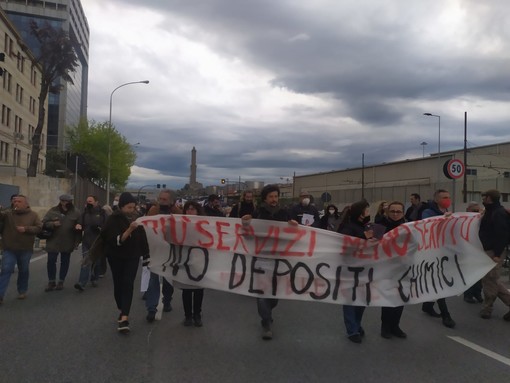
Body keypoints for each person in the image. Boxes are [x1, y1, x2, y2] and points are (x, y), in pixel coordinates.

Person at [242, 184, 298, 340]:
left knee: (274, 294)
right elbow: (248, 234)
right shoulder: (258, 213)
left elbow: (293, 236)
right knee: (262, 293)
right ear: (265, 198)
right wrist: (246, 224)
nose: (274, 199)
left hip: (279, 260)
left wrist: (294, 227)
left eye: (276, 196)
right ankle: (266, 322)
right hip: (261, 258)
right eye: (271, 197)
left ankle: (269, 310)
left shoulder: (284, 213)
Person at [102, 192, 150, 333]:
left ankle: (124, 317)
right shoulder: (113, 220)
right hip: (116, 256)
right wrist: (130, 229)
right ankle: (122, 307)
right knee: (118, 284)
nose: (131, 210)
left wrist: (146, 255)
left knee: (128, 283)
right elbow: (117, 241)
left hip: (132, 256)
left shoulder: (137, 219)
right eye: (129, 207)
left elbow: (142, 239)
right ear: (122, 206)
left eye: (133, 207)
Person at [420, 189, 456, 328]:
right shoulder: (428, 212)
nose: (447, 199)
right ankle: (446, 315)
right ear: (436, 200)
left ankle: (427, 305)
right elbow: (427, 225)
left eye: (448, 196)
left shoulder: (447, 211)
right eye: (444, 197)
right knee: (441, 282)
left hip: (445, 252)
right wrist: (442, 219)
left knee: (437, 281)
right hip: (432, 253)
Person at [339, 199, 372, 343]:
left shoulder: (365, 226)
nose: (369, 212)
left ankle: (357, 325)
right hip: (350, 269)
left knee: (362, 299)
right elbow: (346, 246)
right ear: (361, 212)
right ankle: (352, 330)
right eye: (367, 209)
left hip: (364, 267)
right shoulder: (347, 226)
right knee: (350, 300)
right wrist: (364, 237)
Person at [145, 189, 181, 323]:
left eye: (164, 199)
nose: (161, 201)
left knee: (168, 279)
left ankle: (167, 300)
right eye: (160, 199)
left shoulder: (177, 213)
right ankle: (151, 308)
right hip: (155, 251)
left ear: (172, 201)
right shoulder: (153, 211)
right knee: (153, 279)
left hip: (170, 251)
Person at [0, 195, 42, 304]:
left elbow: (39, 228)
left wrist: (26, 229)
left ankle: (22, 290)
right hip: (9, 247)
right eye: (14, 201)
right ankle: (0, 294)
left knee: (23, 270)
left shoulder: (33, 215)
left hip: (25, 248)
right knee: (6, 270)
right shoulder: (8, 213)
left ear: (26, 204)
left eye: (19, 201)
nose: (16, 203)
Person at [478, 189, 510, 320]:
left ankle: (487, 309)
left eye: (484, 197)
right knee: (492, 279)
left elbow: (502, 235)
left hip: (494, 251)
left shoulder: (498, 213)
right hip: (489, 250)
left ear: (489, 198)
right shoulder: (491, 211)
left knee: (490, 280)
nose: (483, 199)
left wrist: (497, 254)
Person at [379, 201, 407, 339]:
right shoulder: (381, 226)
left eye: (398, 211)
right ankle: (385, 326)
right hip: (386, 267)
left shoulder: (409, 227)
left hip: (404, 267)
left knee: (400, 297)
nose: (395, 214)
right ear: (387, 212)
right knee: (388, 297)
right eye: (393, 211)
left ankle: (395, 325)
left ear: (403, 213)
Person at [175, 200, 206, 327]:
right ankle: (188, 315)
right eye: (188, 209)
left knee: (199, 289)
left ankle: (197, 315)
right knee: (186, 290)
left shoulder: (205, 224)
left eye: (193, 209)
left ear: (198, 211)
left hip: (200, 260)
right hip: (185, 260)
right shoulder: (180, 223)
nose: (190, 211)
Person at [42, 194, 81, 291]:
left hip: (68, 240)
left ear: (71, 201)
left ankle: (61, 281)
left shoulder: (76, 212)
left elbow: (80, 227)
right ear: (60, 201)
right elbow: (43, 222)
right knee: (51, 261)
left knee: (65, 261)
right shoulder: (53, 210)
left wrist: (77, 241)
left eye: (67, 201)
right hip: (53, 240)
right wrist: (52, 224)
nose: (65, 203)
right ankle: (51, 281)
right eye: (63, 201)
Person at [74, 195, 107, 291]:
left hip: (98, 242)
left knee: (96, 262)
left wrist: (100, 228)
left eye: (90, 201)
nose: (88, 203)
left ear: (96, 202)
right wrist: (78, 226)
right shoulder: (84, 214)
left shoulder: (103, 213)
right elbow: (79, 223)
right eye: (87, 201)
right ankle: (81, 283)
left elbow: (107, 226)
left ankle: (95, 277)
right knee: (86, 261)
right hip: (87, 241)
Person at [463, 201, 484, 303]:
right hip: (468, 248)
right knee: (469, 273)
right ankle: (468, 294)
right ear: (468, 210)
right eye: (474, 210)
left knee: (479, 273)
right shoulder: (463, 219)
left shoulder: (482, 218)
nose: (476, 212)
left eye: (477, 210)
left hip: (479, 248)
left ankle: (477, 292)